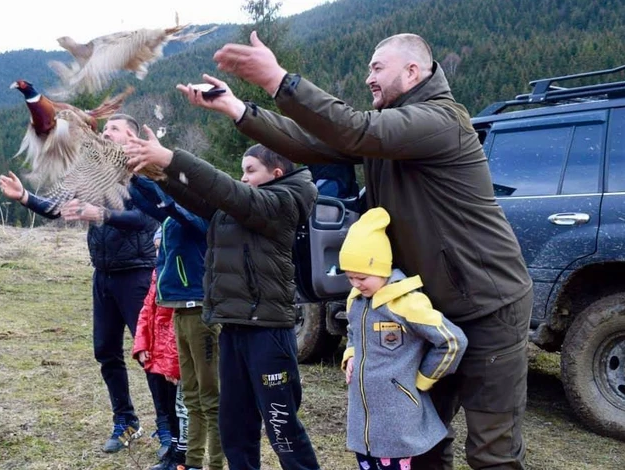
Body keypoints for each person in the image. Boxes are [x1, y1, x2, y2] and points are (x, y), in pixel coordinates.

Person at [179, 32, 533, 470]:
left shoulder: (441, 121)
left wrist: (279, 80)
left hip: (486, 307)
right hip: (423, 310)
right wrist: (238, 108)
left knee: (491, 452)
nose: (368, 77)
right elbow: (308, 143)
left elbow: (355, 129)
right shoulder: (388, 133)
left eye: (377, 68)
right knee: (417, 440)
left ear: (412, 71)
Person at [126, 133, 321, 470]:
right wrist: (154, 170)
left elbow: (226, 189)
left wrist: (172, 157)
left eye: (250, 170)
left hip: (268, 334)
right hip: (232, 330)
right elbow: (193, 196)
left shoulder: (282, 204)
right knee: (235, 427)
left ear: (276, 174)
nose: (243, 178)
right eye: (241, 171)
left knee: (281, 428)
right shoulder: (240, 208)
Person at [0, 113, 161, 454]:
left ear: (130, 136)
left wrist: (100, 214)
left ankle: (168, 426)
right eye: (104, 128)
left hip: (136, 273)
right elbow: (60, 208)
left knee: (149, 354)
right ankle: (126, 421)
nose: (105, 133)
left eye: (113, 129)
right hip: (102, 275)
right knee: (106, 351)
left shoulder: (142, 172)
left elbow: (145, 221)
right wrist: (25, 197)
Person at [339, 207, 468, 470]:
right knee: (365, 463)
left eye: (362, 277)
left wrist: (422, 380)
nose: (355, 284)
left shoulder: (407, 304)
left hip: (397, 421)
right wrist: (350, 353)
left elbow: (452, 341)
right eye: (350, 277)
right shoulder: (356, 300)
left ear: (383, 268)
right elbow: (353, 331)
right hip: (363, 420)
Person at [129, 176, 224, 470]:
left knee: (211, 397)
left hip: (200, 311)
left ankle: (217, 464)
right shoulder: (170, 218)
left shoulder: (201, 215)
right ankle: (192, 462)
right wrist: (129, 174)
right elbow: (146, 201)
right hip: (178, 310)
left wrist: (156, 174)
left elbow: (170, 204)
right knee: (192, 395)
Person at [132, 227, 187, 469]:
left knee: (180, 407)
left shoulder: (182, 275)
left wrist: (174, 365)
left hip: (172, 358)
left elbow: (179, 325)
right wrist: (141, 343)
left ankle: (181, 456)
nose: (158, 253)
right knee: (165, 404)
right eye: (155, 249)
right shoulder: (158, 272)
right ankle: (173, 449)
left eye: (161, 248)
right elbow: (147, 309)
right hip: (156, 354)